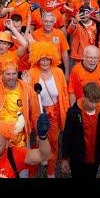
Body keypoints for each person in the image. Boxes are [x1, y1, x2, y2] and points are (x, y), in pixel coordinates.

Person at [24, 41, 69, 178]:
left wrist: (65, 112)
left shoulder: (59, 72)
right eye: (41, 59)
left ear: (52, 58)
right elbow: (27, 96)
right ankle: (38, 162)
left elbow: (64, 94)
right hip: (38, 114)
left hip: (54, 114)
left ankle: (50, 172)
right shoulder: (32, 73)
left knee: (54, 144)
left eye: (47, 59)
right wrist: (25, 85)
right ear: (37, 59)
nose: (44, 62)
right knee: (40, 140)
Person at [61, 82, 100, 179]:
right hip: (76, 158)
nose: (94, 105)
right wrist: (64, 158)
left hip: (95, 157)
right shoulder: (73, 113)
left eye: (96, 101)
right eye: (91, 101)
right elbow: (67, 136)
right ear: (84, 96)